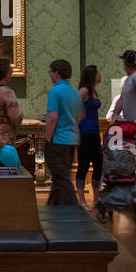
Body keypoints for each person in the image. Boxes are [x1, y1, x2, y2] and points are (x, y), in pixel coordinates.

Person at [44, 58, 82, 205]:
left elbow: (52, 117)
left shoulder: (55, 91)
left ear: (56, 73)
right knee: (60, 176)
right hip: (72, 140)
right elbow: (79, 116)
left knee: (62, 179)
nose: (50, 75)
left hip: (58, 139)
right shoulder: (74, 91)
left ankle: (75, 210)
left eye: (50, 71)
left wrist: (48, 138)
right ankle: (52, 207)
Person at [75, 65, 103, 205]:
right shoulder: (84, 91)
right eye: (98, 72)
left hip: (94, 134)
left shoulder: (93, 90)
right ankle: (82, 201)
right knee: (83, 166)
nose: (100, 74)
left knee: (98, 165)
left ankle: (96, 199)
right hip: (84, 134)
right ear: (92, 75)